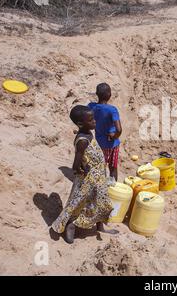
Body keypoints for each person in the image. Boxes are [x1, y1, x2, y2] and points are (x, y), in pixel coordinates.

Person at [51, 105, 114, 244]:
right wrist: (83, 172)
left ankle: (100, 226)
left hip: (99, 177)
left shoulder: (88, 133)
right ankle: (71, 226)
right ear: (80, 124)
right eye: (91, 120)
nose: (94, 122)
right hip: (89, 180)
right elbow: (75, 165)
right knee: (79, 204)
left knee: (102, 202)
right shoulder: (82, 141)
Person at [88, 83, 122, 181]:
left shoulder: (91, 106)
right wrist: (114, 136)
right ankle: (113, 188)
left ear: (97, 94)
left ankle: (101, 187)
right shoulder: (112, 110)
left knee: (100, 166)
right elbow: (119, 130)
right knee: (113, 167)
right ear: (109, 95)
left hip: (100, 143)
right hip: (113, 144)